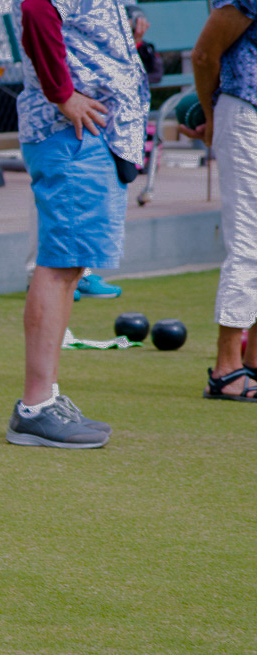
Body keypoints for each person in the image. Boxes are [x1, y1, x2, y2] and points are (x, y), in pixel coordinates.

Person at [7, 0, 149, 448]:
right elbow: (36, 9)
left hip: (85, 135)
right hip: (72, 134)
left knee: (69, 267)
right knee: (60, 263)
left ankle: (46, 398)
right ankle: (35, 407)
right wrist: (62, 92)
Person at [181, 0, 257, 400]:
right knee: (248, 242)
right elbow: (204, 54)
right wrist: (211, 115)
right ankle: (227, 368)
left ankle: (255, 363)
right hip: (247, 113)